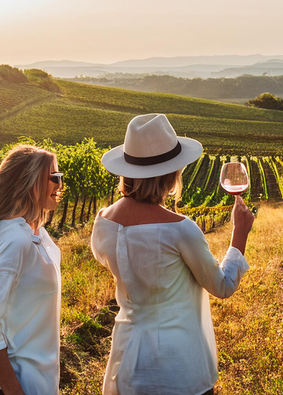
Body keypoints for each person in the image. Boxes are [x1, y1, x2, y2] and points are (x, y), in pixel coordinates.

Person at [91, 113, 254, 395]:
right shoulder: (180, 229)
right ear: (171, 174)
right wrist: (239, 235)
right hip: (178, 368)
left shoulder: (103, 221)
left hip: (126, 362)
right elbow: (222, 286)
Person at [0, 144, 64, 395]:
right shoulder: (15, 240)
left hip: (36, 380)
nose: (60, 184)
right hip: (12, 386)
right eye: (54, 177)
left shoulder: (35, 232)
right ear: (30, 183)